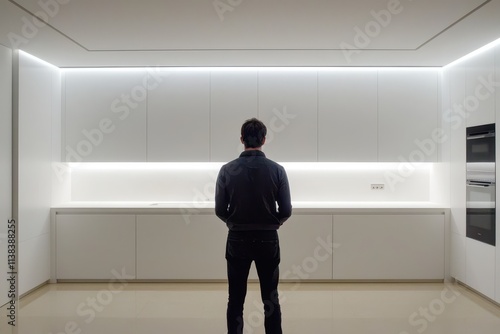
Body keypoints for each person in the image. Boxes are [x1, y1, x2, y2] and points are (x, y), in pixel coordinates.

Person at [215, 118, 292, 334]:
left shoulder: (227, 170)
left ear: (241, 139)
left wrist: (234, 221)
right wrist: (273, 222)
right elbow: (286, 210)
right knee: (270, 297)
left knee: (236, 298)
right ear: (264, 140)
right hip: (268, 240)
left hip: (237, 239)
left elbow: (220, 209)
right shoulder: (277, 170)